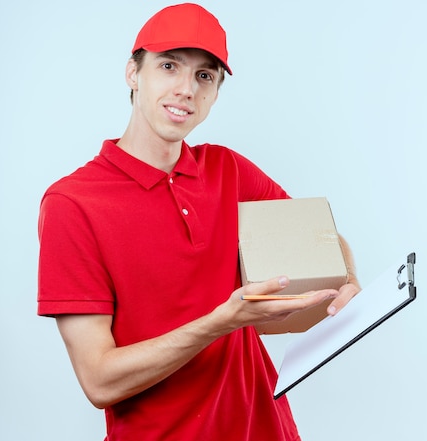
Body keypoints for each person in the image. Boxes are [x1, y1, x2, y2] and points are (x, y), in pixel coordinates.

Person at [37, 3, 361, 440]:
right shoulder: (72, 204)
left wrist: (347, 277)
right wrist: (222, 321)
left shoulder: (229, 170)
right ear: (133, 73)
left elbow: (323, 238)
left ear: (215, 92)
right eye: (169, 66)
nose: (186, 89)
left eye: (204, 76)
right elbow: (99, 380)